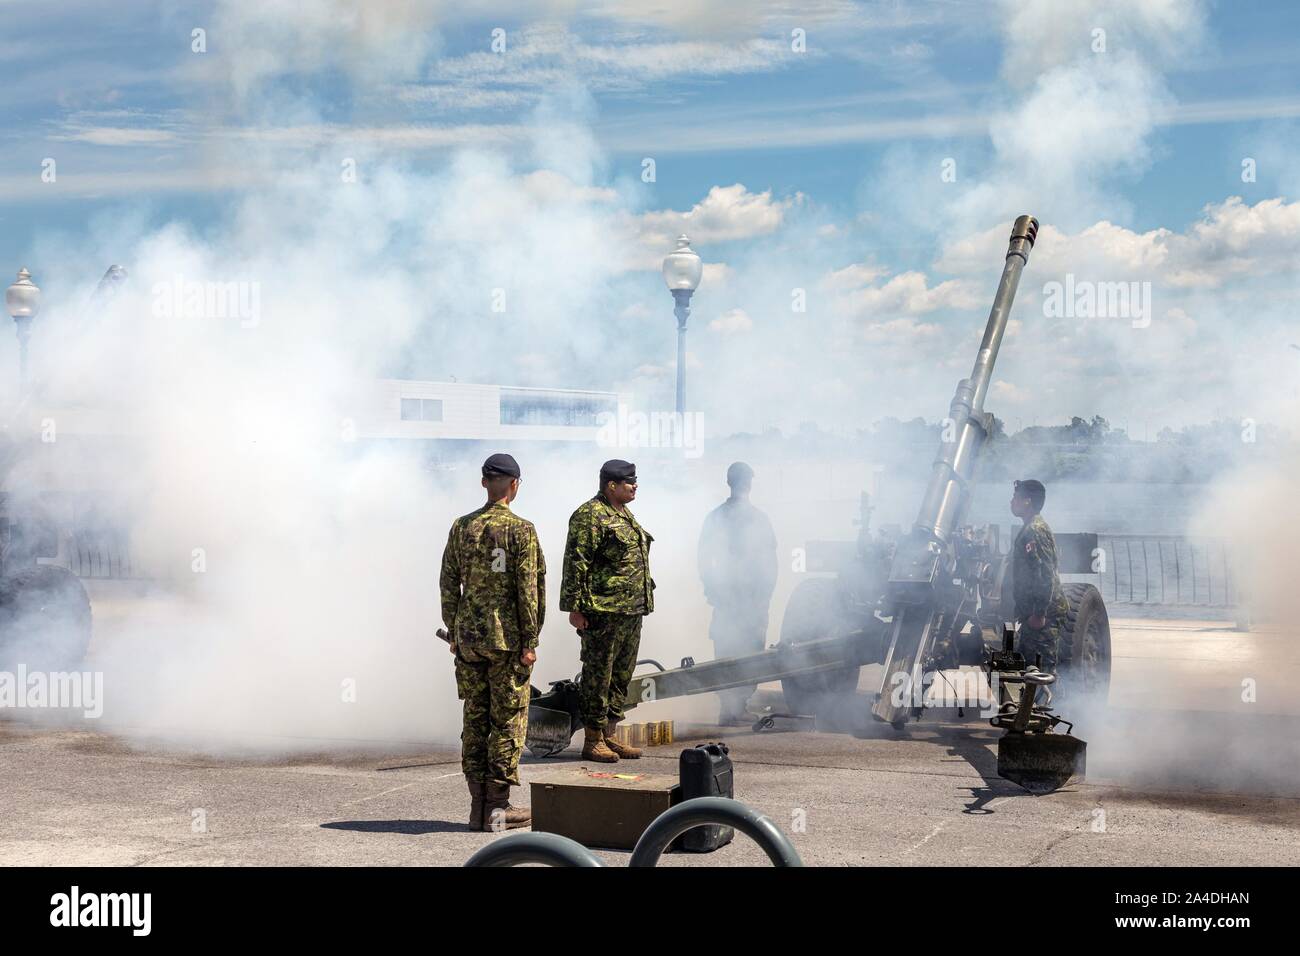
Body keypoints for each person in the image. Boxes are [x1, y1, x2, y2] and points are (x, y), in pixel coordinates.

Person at [439, 453, 545, 831]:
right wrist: (530, 640)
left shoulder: (461, 527)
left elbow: (449, 583)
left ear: (485, 482)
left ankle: (476, 809)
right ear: (514, 485)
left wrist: (453, 631)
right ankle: (496, 811)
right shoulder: (522, 530)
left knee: (475, 718)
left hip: (468, 639)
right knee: (507, 722)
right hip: (506, 641)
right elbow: (528, 591)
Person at [559, 459, 654, 763]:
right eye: (629, 481)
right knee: (598, 676)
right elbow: (576, 563)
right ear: (611, 485)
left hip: (630, 610)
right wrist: (574, 608)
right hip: (602, 610)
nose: (634, 485)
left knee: (620, 676)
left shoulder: (625, 515)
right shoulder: (590, 515)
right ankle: (593, 740)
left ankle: (610, 735)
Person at [697, 461, 777, 724]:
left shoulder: (718, 516)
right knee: (742, 651)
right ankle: (733, 707)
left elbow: (704, 559)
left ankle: (733, 707)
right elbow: (770, 562)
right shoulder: (756, 518)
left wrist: (713, 589)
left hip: (737, 598)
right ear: (748, 484)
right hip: (740, 599)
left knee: (734, 651)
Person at [1009, 478, 1069, 674]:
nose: (1012, 501)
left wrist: (1039, 613)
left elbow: (1044, 573)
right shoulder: (1030, 528)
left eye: (1016, 497)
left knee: (1042, 671)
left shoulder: (1034, 530)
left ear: (1027, 501)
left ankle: (1053, 704)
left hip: (1044, 615)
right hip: (1035, 612)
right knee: (1029, 668)